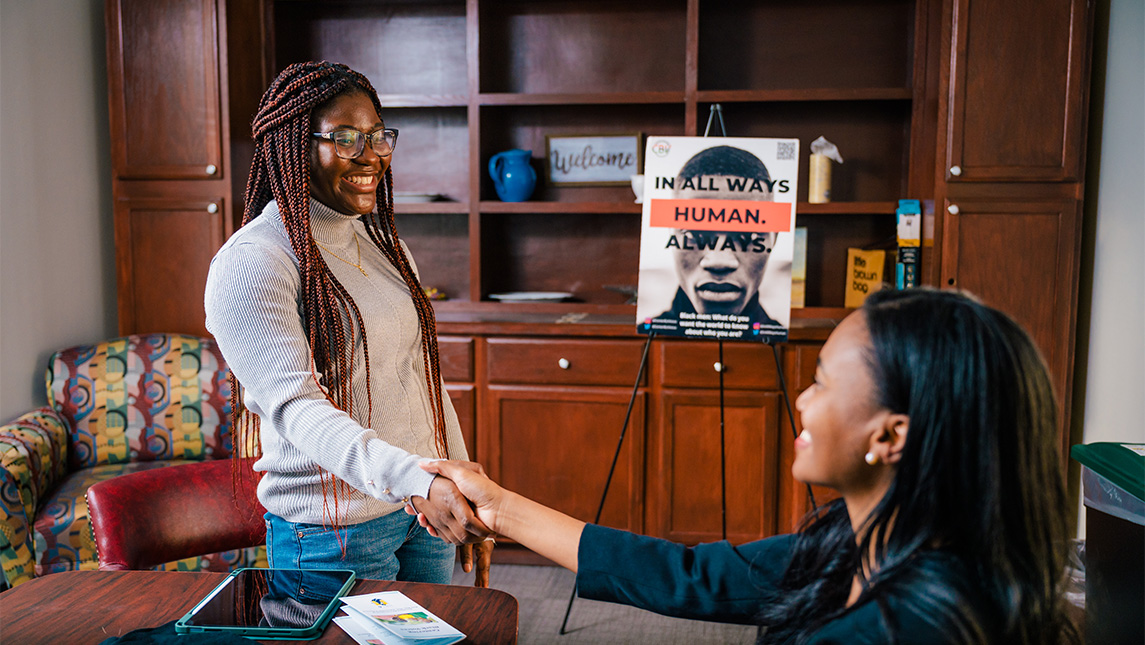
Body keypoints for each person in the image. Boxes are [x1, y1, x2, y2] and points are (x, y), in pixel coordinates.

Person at [416, 288, 1079, 643]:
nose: (802, 398)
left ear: (890, 434)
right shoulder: (866, 539)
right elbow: (692, 575)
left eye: (820, 381)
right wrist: (498, 505)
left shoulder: (903, 625)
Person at [204, 61, 492, 589]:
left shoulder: (386, 248)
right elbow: (298, 409)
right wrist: (417, 483)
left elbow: (421, 377)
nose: (371, 155)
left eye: (378, 136)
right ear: (293, 145)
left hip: (420, 514)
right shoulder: (255, 261)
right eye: (344, 138)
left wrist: (461, 480)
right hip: (333, 533)